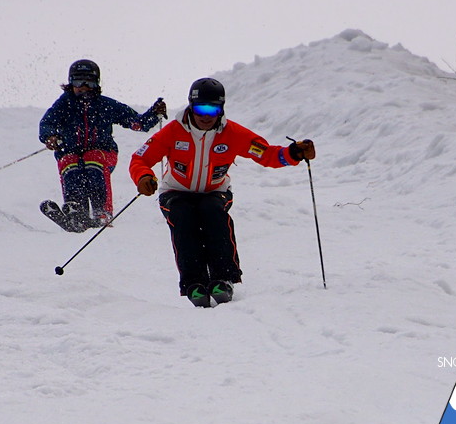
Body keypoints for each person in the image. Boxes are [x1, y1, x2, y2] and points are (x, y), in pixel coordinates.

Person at [129, 78, 316, 307]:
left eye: (213, 109)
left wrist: (295, 153)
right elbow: (141, 158)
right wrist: (143, 177)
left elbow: (267, 154)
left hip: (214, 190)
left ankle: (224, 278)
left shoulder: (233, 134)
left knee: (212, 212)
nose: (206, 116)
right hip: (176, 190)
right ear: (190, 106)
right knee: (183, 216)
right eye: (200, 108)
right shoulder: (172, 132)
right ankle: (193, 283)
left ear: (221, 109)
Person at [39, 59, 166, 230]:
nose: (83, 87)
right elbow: (47, 123)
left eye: (89, 83)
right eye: (78, 82)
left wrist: (153, 114)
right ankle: (76, 209)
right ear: (70, 83)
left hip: (104, 154)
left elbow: (137, 123)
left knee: (92, 161)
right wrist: (50, 136)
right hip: (71, 153)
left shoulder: (104, 105)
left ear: (97, 83)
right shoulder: (64, 105)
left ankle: (102, 212)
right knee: (70, 162)